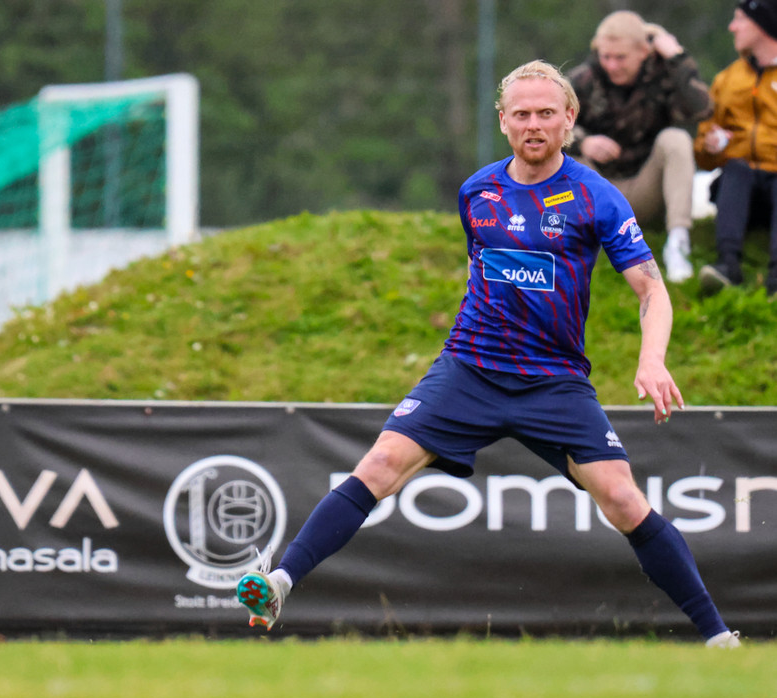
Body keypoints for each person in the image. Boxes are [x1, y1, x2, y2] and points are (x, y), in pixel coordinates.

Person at [236, 60, 740, 648]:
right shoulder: (477, 191)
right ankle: (280, 583)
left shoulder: (595, 196)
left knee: (624, 501)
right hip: (469, 368)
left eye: (546, 113)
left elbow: (652, 290)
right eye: (521, 114)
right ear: (502, 121)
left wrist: (651, 359)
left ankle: (718, 638)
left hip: (553, 381)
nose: (534, 125)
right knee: (379, 464)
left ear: (570, 118)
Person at [567, 11, 713, 284]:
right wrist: (584, 142)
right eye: (606, 56)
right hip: (600, 191)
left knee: (676, 139)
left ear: (644, 52)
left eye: (621, 57)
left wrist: (677, 57)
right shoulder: (584, 80)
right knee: (566, 157)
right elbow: (549, 128)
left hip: (646, 189)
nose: (612, 65)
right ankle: (569, 244)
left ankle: (678, 243)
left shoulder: (664, 76)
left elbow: (702, 109)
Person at [695, 0, 777, 297]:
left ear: (762, 25)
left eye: (740, 19)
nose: (732, 27)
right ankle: (727, 266)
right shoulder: (727, 79)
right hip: (742, 192)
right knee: (736, 169)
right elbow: (702, 155)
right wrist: (710, 146)